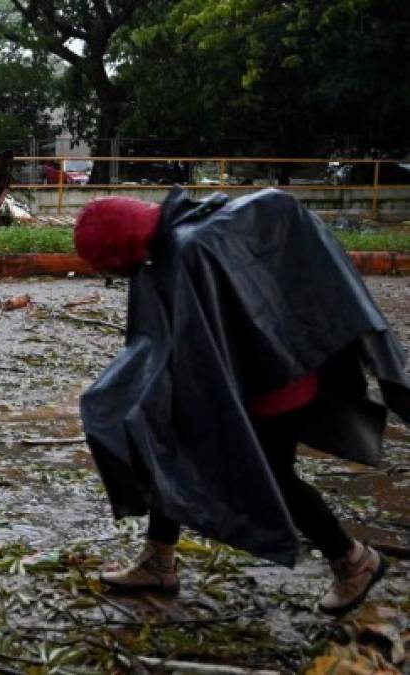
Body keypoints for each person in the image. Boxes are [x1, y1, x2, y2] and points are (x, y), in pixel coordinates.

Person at [74, 187, 410, 616]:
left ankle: (354, 560)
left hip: (271, 384)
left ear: (124, 251)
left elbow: (192, 347)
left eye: (115, 268)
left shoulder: (185, 255)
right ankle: (159, 560)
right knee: (166, 439)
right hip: (284, 363)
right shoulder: (195, 225)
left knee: (271, 475)